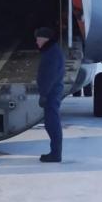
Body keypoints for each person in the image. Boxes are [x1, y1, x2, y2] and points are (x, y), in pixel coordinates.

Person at [35, 26, 66, 163]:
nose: (37, 42)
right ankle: (55, 152)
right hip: (52, 92)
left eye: (38, 39)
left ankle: (55, 154)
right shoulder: (52, 51)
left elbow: (49, 76)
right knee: (50, 123)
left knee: (52, 123)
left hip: (51, 93)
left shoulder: (52, 53)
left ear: (44, 39)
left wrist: (44, 94)